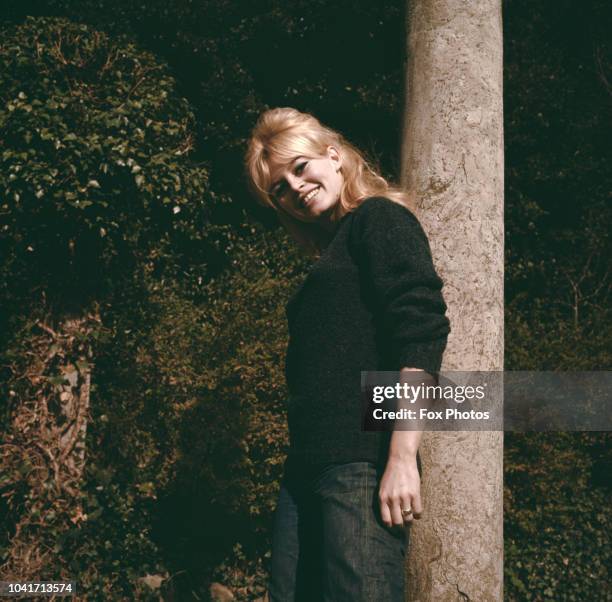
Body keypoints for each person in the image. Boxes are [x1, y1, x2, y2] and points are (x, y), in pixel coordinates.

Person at [245, 107, 450, 601]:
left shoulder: (379, 220)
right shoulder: (329, 259)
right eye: (279, 188)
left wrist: (401, 458)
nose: (294, 188)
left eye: (300, 167)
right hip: (303, 473)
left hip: (360, 464)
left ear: (333, 156)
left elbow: (420, 333)